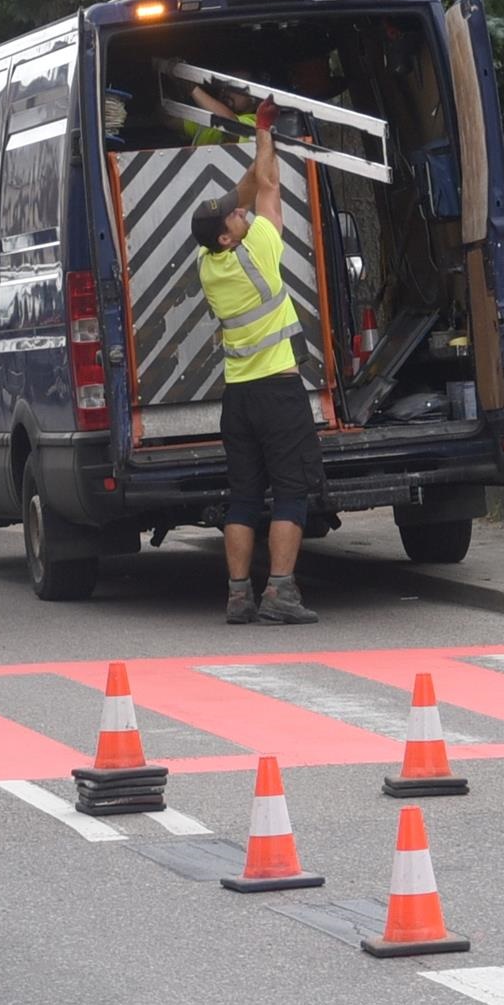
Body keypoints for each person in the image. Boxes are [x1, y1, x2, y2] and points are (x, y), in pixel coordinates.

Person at [188, 97, 322, 625]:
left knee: (243, 496)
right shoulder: (261, 247)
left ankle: (238, 595)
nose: (241, 212)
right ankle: (280, 594)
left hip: (238, 398)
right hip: (278, 392)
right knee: (291, 490)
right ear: (229, 235)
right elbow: (266, 186)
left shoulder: (208, 262)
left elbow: (246, 192)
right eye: (235, 217)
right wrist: (264, 131)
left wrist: (255, 146)